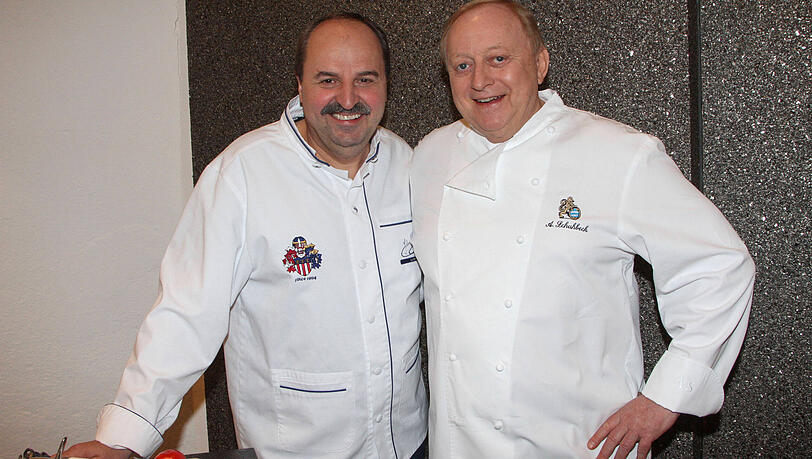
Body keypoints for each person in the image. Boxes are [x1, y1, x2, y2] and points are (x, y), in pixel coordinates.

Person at [64, 13, 427, 459]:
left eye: (365, 79)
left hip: (406, 443)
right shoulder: (242, 175)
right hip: (295, 450)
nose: (347, 98)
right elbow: (186, 314)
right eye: (327, 80)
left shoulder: (409, 166)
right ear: (299, 84)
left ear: (387, 84)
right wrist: (125, 438)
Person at [409, 1, 755, 458]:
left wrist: (666, 397)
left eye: (499, 58)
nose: (480, 80)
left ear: (539, 63)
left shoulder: (617, 153)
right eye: (462, 65)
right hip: (461, 445)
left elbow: (719, 265)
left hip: (580, 444)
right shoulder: (429, 157)